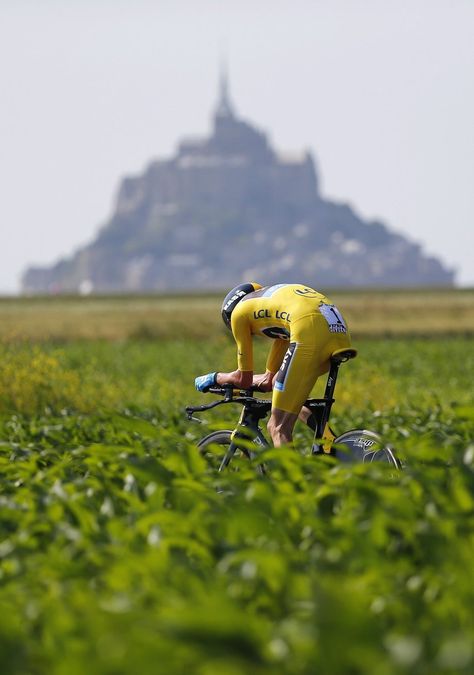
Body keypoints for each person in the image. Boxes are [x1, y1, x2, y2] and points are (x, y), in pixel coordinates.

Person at [195, 282, 352, 447]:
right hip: (339, 334)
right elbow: (269, 379)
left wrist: (215, 377)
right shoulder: (272, 307)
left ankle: (293, 473)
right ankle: (335, 447)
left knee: (277, 427)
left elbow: (243, 379)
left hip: (308, 328)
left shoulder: (237, 314)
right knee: (287, 391)